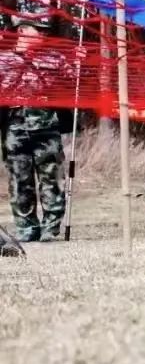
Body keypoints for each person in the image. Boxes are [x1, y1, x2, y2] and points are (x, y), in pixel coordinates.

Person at [1, 16, 73, 242]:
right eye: (38, 29)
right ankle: (26, 229)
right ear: (22, 31)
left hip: (46, 124)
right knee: (19, 179)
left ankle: (50, 227)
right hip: (14, 126)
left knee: (52, 177)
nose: (43, 33)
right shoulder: (3, 60)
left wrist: (81, 63)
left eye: (44, 30)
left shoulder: (55, 59)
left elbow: (75, 83)